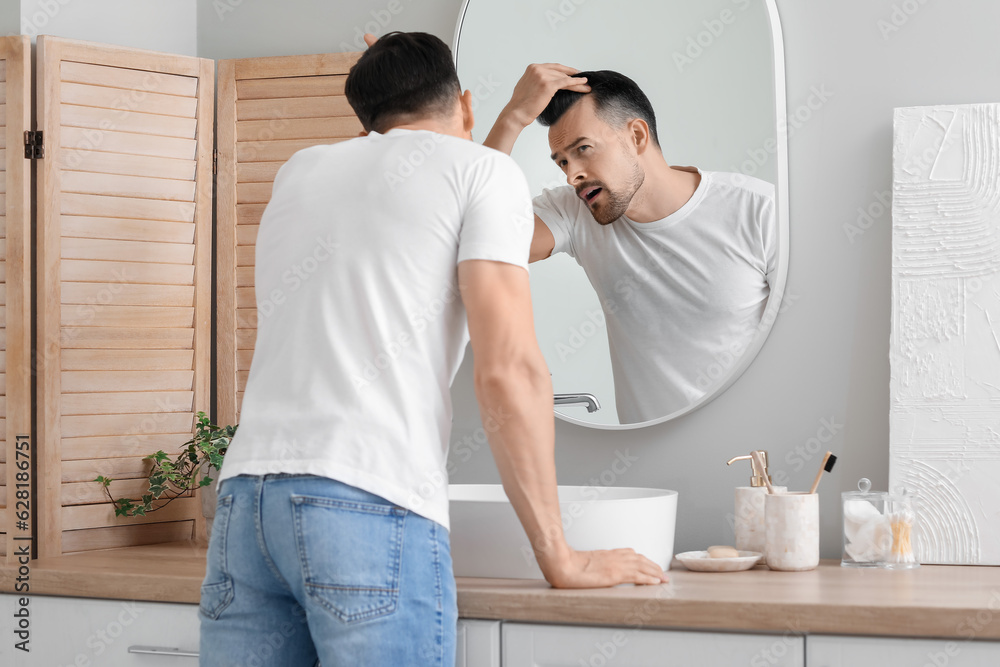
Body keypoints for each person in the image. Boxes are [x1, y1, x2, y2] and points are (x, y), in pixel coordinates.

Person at [198, 34, 666, 667]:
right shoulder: (481, 173)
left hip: (245, 508)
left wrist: (500, 114)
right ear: (463, 106)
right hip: (364, 503)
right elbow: (509, 372)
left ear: (367, 116)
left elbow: (426, 190)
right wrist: (561, 555)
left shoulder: (300, 171)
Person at [485, 65, 777, 424]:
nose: (571, 173)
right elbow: (480, 241)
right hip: (645, 461)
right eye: (562, 161)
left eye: (584, 149)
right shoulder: (575, 212)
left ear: (637, 136)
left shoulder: (758, 210)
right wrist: (512, 118)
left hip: (754, 464)